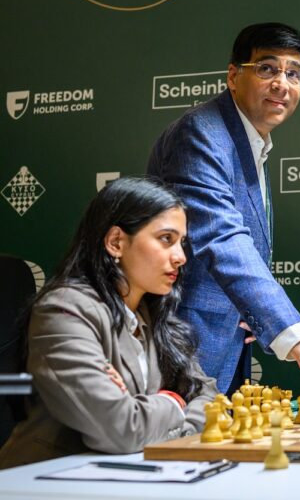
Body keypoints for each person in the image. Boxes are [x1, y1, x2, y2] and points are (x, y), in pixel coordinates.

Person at [147, 22, 300, 418]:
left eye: (293, 73)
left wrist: (250, 311)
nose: (282, 83)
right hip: (187, 343)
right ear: (233, 76)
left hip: (227, 341)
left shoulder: (251, 141)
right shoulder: (202, 133)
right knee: (176, 465)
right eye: (267, 69)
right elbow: (222, 238)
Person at [0, 177, 218, 468]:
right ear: (116, 242)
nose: (180, 257)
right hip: (45, 485)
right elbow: (120, 428)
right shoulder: (65, 309)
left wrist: (156, 417)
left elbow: (210, 399)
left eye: (182, 242)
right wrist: (175, 401)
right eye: (166, 239)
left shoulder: (153, 317)